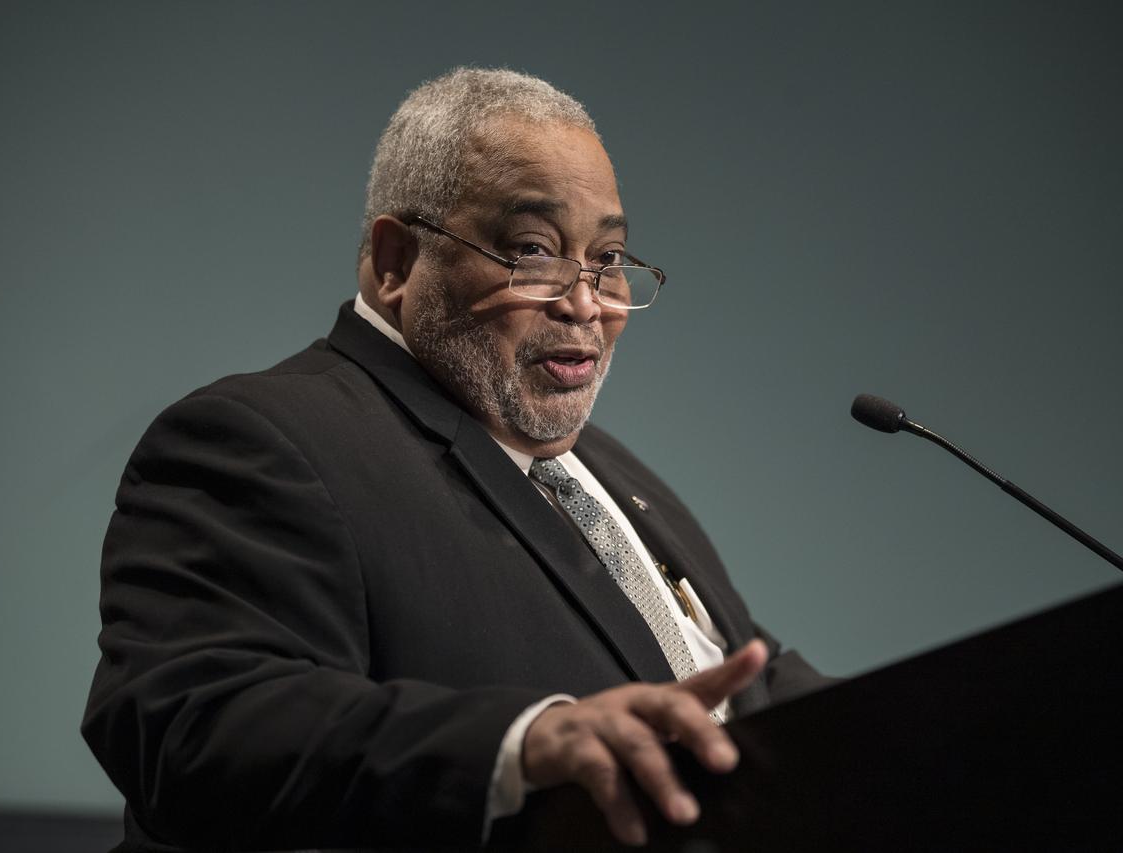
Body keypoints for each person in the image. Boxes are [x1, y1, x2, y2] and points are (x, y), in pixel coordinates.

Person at [82, 67, 831, 851]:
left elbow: (748, 681)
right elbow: (188, 726)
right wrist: (525, 744)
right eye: (534, 249)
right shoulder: (261, 438)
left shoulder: (609, 472)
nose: (586, 301)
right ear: (396, 258)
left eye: (608, 258)